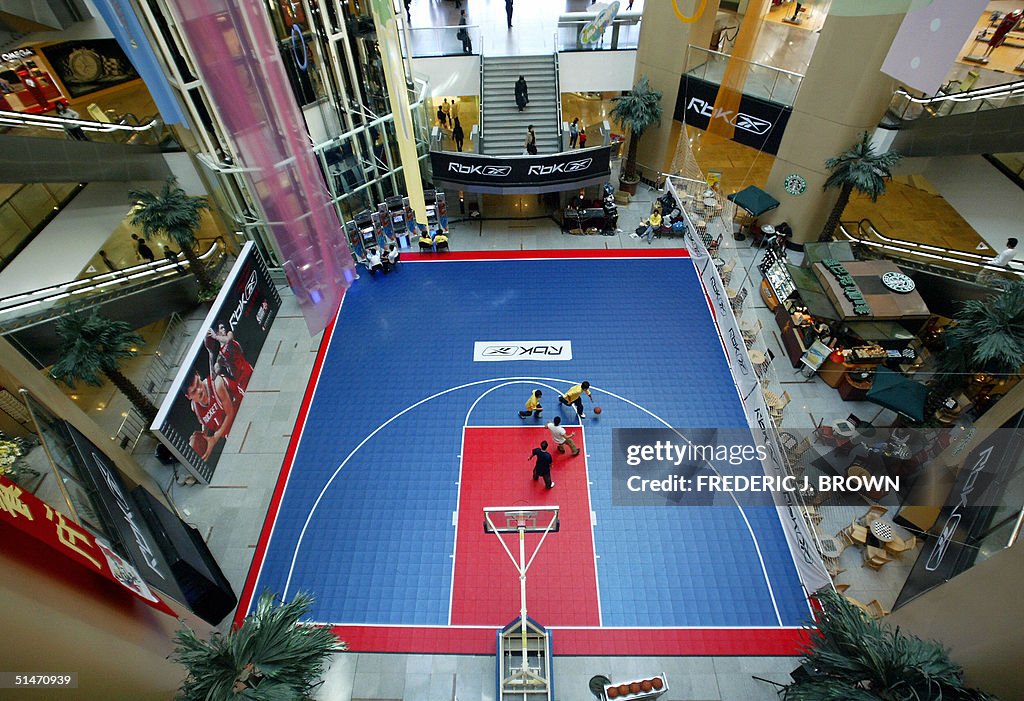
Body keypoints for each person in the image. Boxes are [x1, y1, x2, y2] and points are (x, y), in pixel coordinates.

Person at [185, 368, 244, 460]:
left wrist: (214, 438)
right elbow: (208, 421)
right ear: (188, 396)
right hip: (233, 435)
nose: (199, 390)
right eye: (193, 391)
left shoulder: (216, 384)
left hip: (245, 415)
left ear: (198, 375)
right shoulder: (195, 407)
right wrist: (204, 436)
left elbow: (230, 413)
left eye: (198, 384)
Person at [208, 322, 254, 390]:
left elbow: (228, 340)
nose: (224, 329)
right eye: (221, 328)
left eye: (223, 327)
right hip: (240, 381)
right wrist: (210, 353)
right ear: (217, 332)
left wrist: (215, 337)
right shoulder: (220, 355)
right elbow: (213, 376)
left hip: (247, 370)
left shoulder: (229, 334)